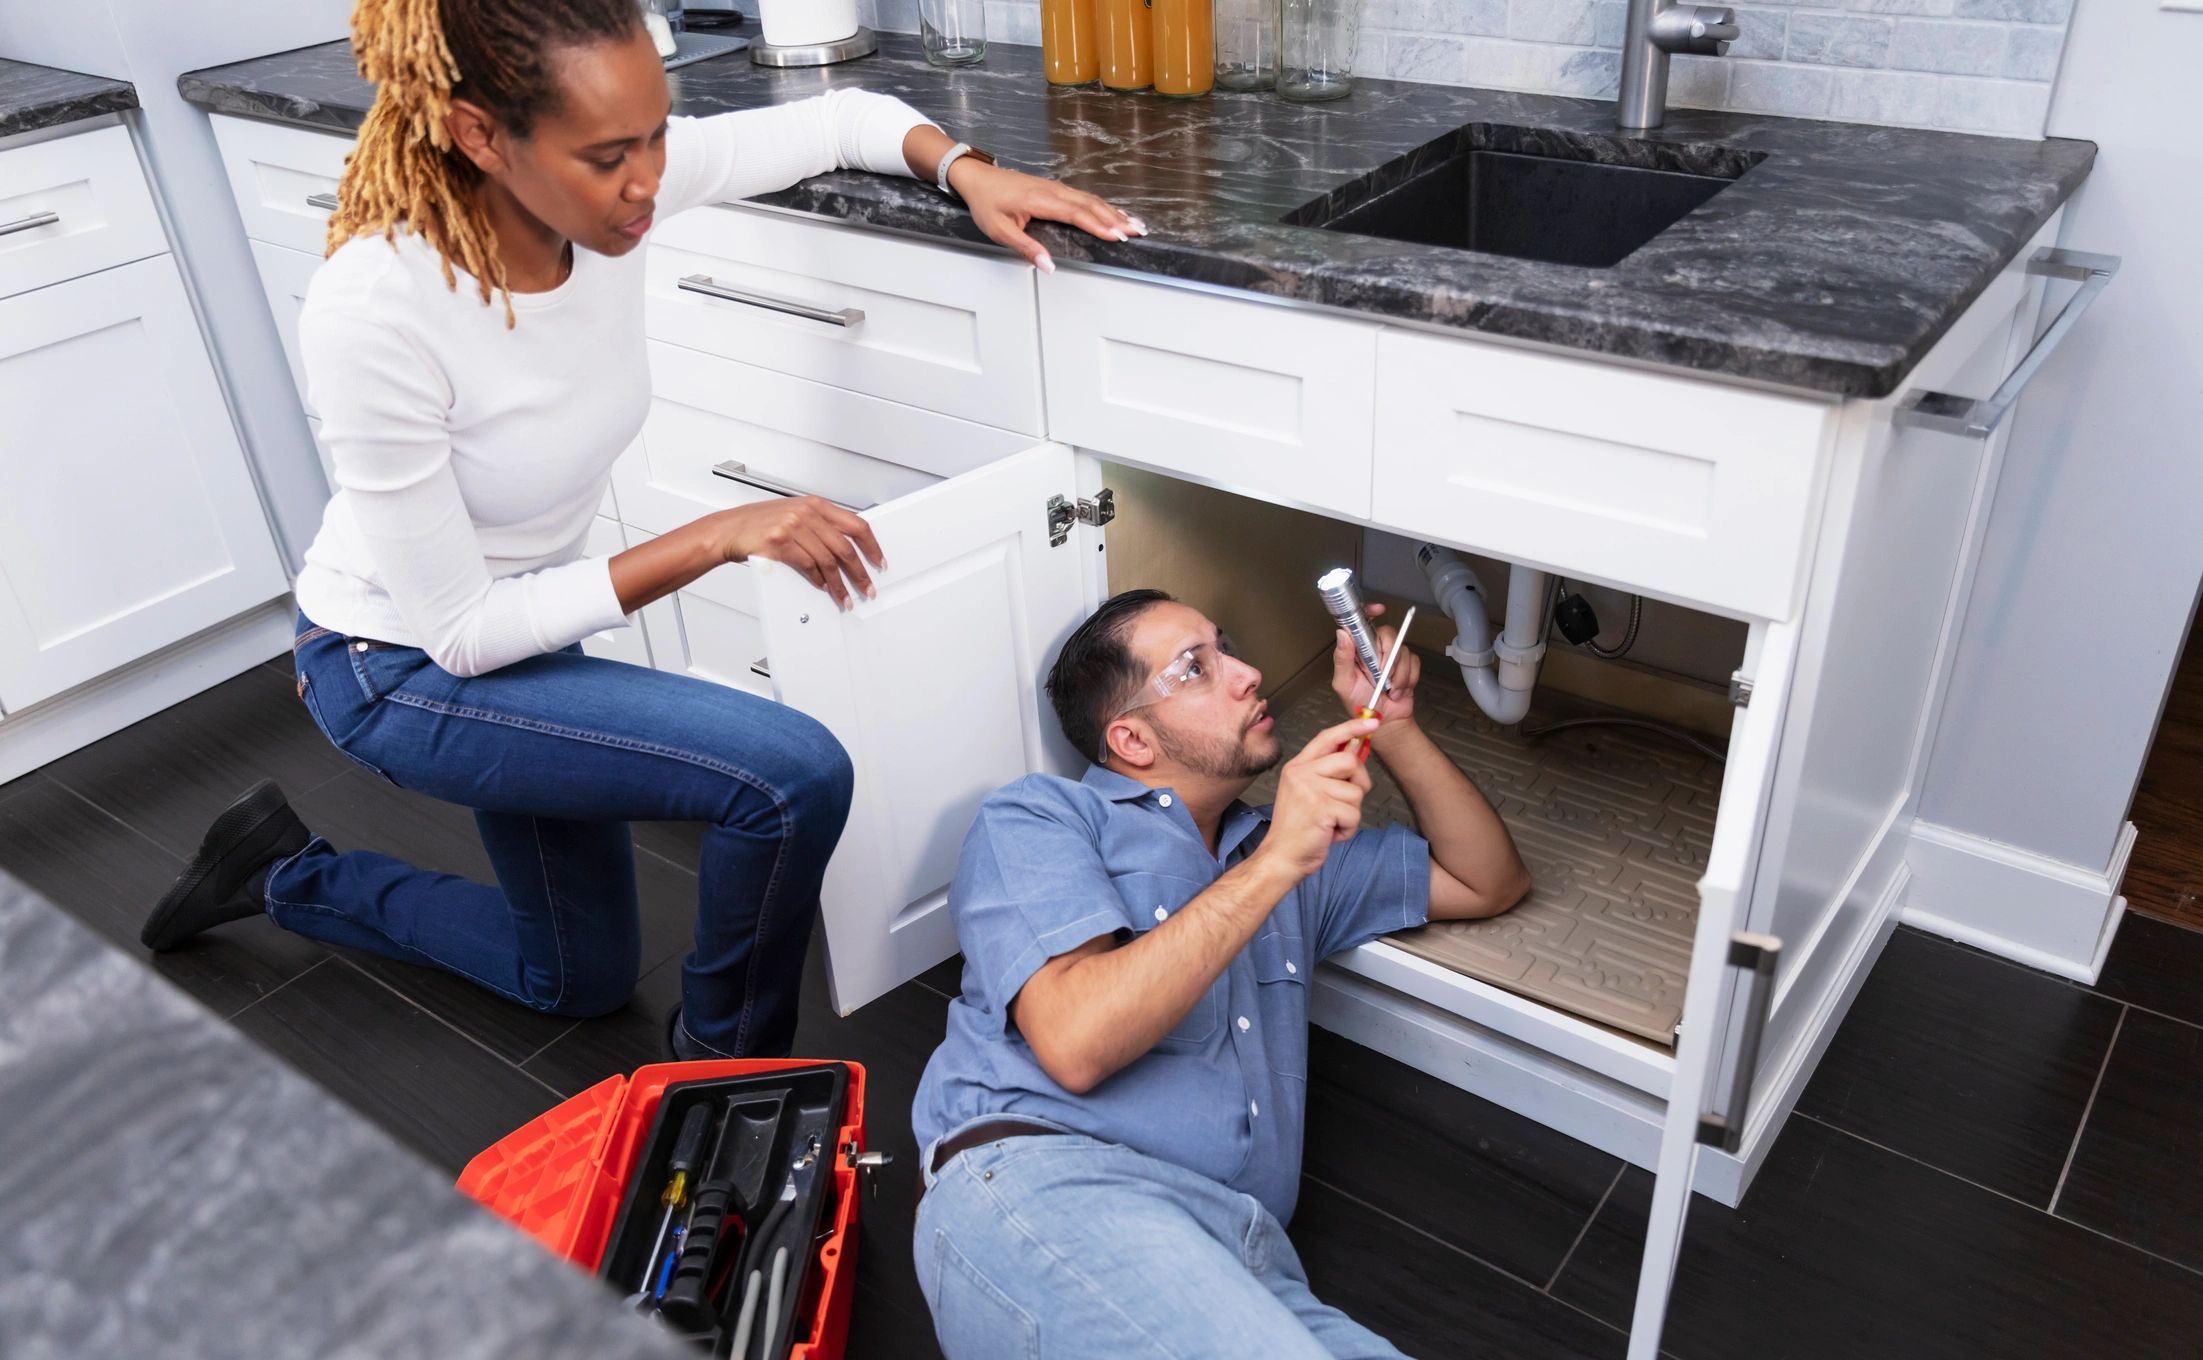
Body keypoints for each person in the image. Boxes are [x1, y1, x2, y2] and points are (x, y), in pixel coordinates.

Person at [138, 0, 1140, 1063]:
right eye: (612, 154)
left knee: (570, 975)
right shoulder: (376, 308)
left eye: (659, 135)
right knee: (788, 774)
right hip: (399, 665)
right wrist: (719, 534)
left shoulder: (609, 198)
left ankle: (280, 870)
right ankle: (719, 1077)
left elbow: (843, 117)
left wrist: (966, 171)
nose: (649, 181)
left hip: (527, 635)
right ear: (482, 135)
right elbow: (465, 634)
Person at [909, 589, 1532, 1358]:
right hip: (1052, 1188)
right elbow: (1075, 1040)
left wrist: (1393, 729)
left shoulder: (1284, 851)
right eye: (1196, 668)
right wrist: (1277, 864)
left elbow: (1485, 880)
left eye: (1226, 648)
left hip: (1250, 1259)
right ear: (1131, 740)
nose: (1248, 674)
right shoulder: (1042, 818)